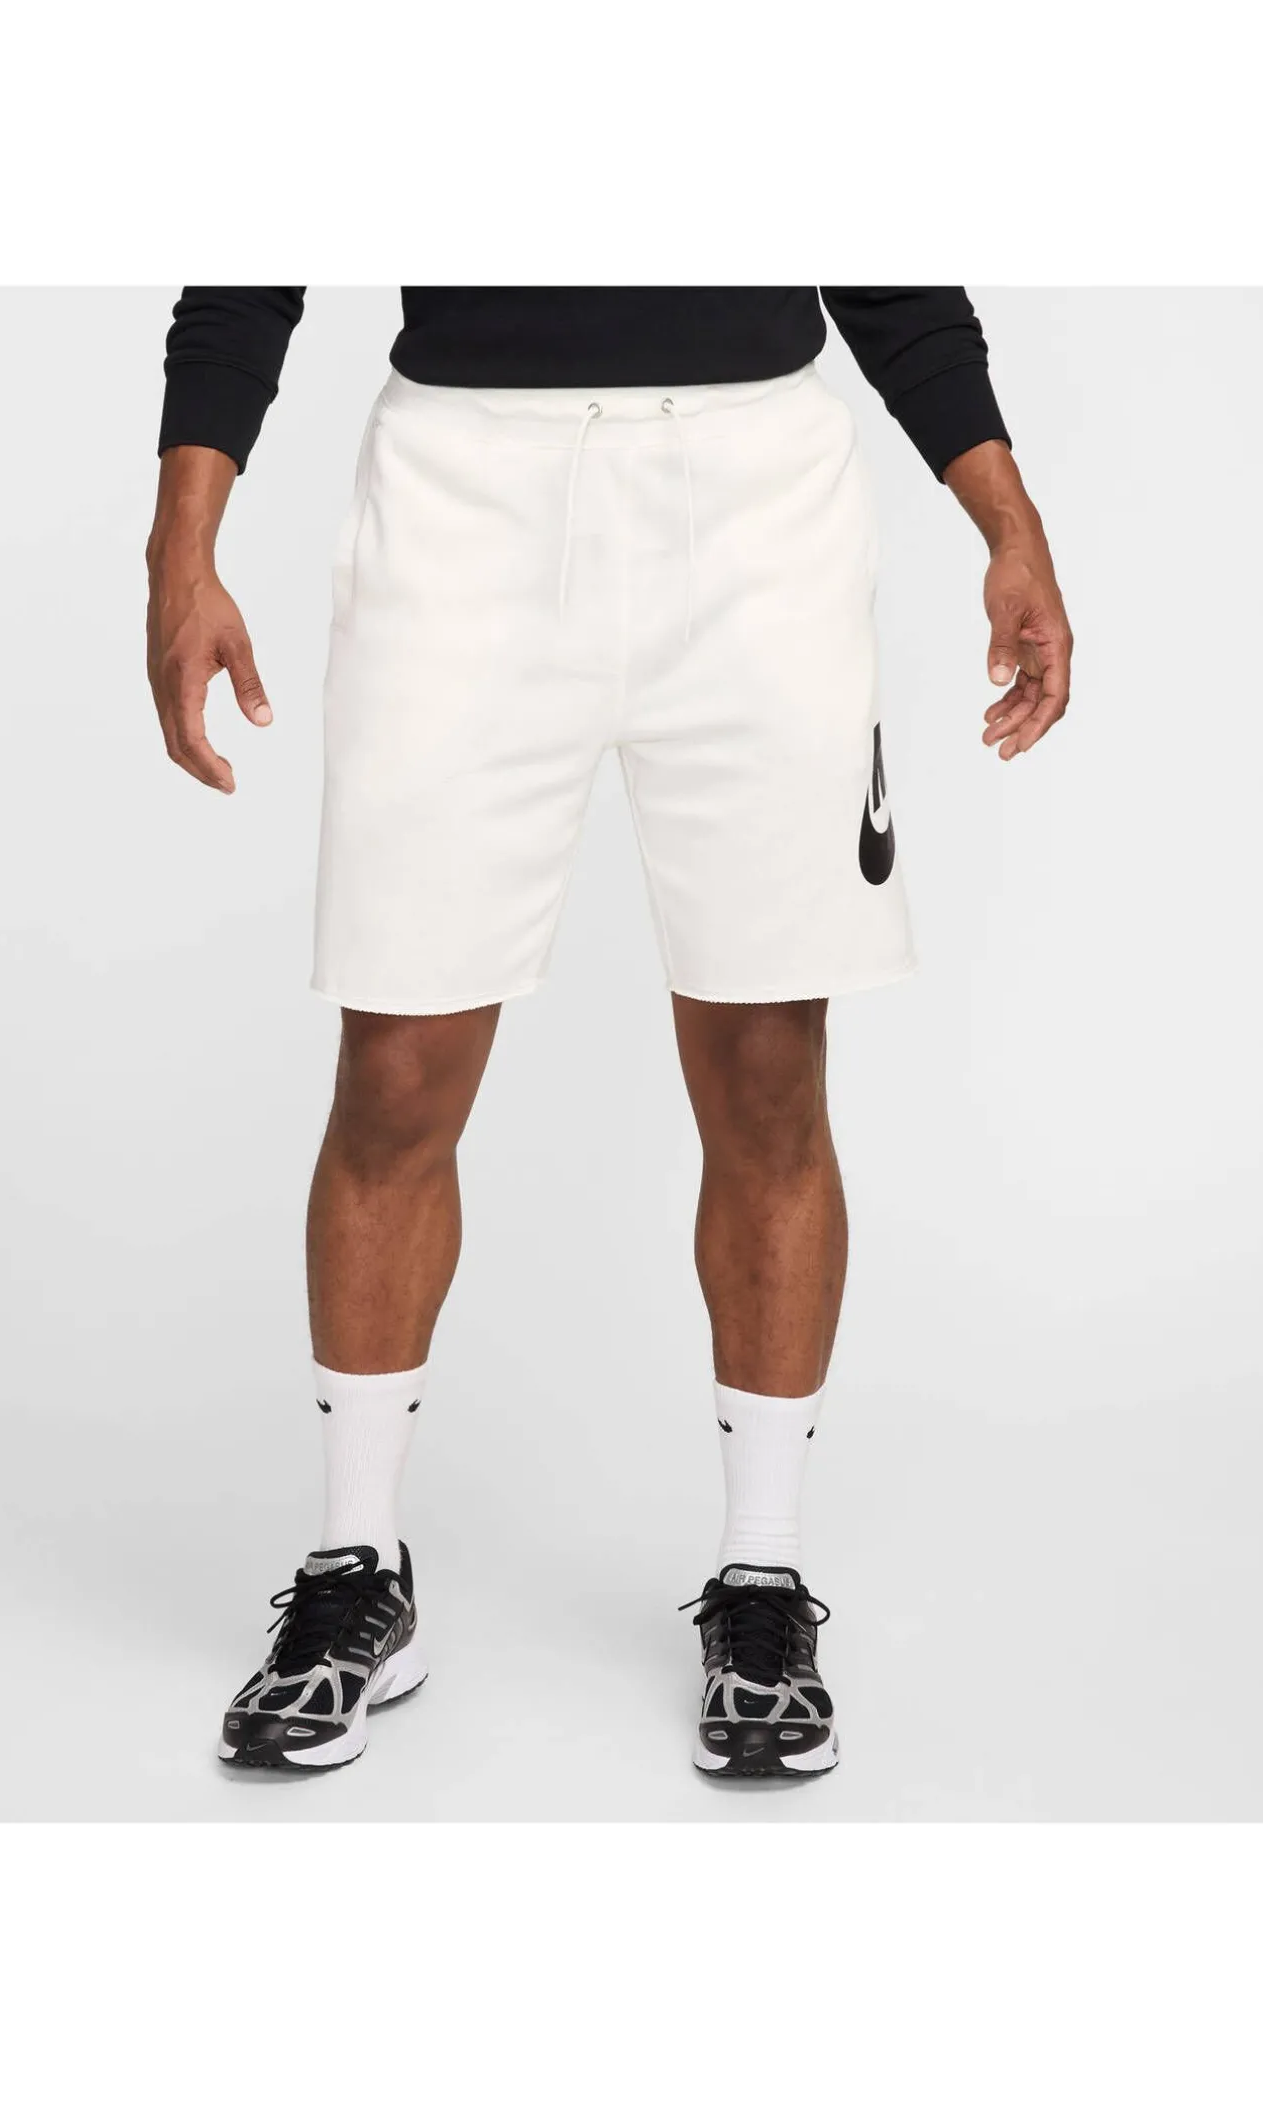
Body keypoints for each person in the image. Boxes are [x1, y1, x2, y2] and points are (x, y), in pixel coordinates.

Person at [145, 288, 1071, 1777]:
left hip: (758, 503)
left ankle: (763, 1579)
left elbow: (889, 262)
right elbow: (252, 255)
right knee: (397, 1063)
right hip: (461, 497)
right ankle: (357, 1564)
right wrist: (180, 547)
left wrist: (1006, 522)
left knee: (767, 1064)